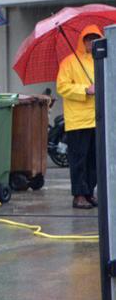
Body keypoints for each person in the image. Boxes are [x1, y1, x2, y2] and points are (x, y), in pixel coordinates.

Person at [57, 25, 101, 209]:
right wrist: (85, 90)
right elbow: (62, 87)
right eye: (88, 39)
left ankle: (89, 192)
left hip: (98, 118)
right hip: (77, 120)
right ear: (82, 40)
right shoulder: (69, 62)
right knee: (79, 160)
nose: (91, 42)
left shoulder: (101, 60)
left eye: (94, 38)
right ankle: (78, 195)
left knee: (94, 159)